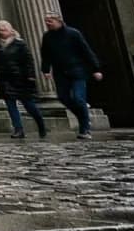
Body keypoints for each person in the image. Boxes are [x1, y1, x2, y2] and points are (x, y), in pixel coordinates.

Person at [39, 12, 103, 140]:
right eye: (46, 21)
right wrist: (45, 70)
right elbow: (45, 54)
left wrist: (96, 69)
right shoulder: (47, 37)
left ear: (59, 21)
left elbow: (86, 50)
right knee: (63, 98)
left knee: (79, 99)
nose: (47, 23)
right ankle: (83, 117)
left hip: (77, 70)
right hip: (60, 72)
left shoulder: (73, 33)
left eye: (50, 21)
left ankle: (85, 128)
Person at [0, 20, 47, 139]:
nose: (1, 32)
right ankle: (18, 129)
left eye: (3, 29)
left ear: (10, 30)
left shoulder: (20, 44)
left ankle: (41, 124)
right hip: (4, 79)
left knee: (29, 105)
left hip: (20, 79)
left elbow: (28, 61)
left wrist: (31, 76)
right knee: (10, 104)